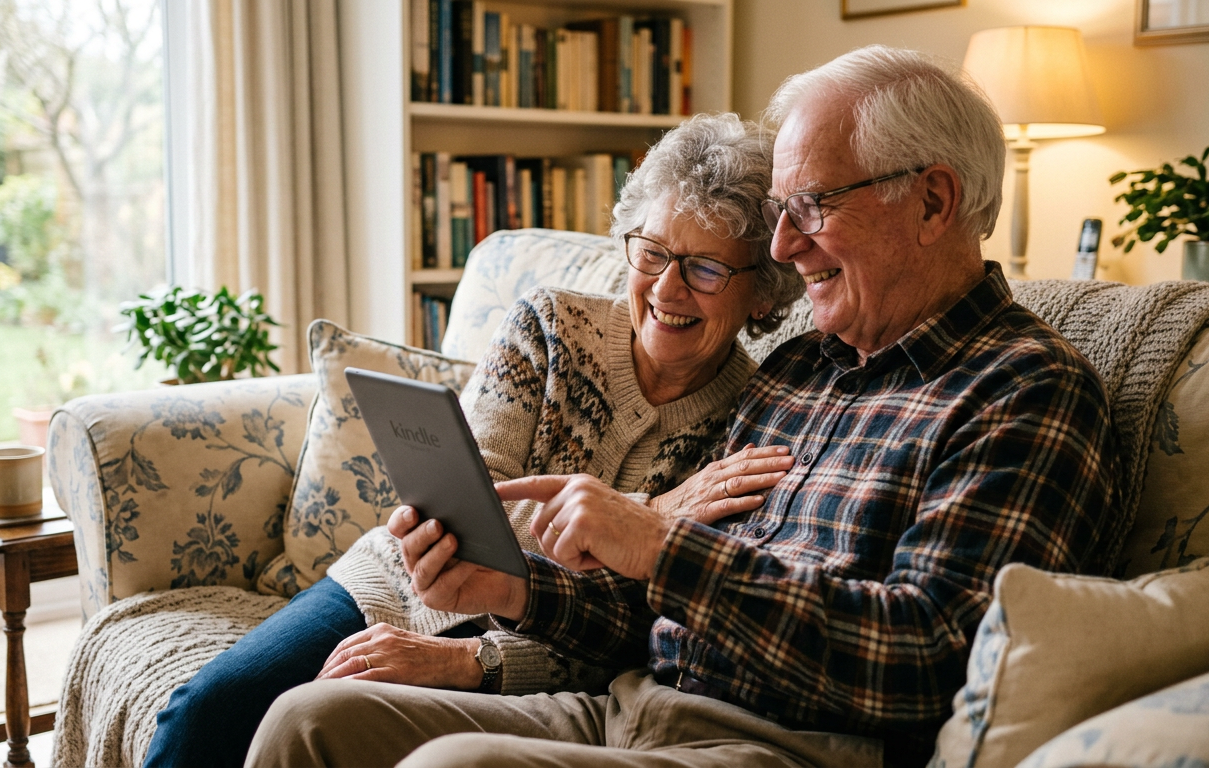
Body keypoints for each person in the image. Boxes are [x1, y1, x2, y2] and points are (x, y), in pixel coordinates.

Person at [244, 46, 1124, 768]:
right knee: (308, 722)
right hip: (631, 708)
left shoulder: (1023, 394)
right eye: (782, 212)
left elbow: (929, 658)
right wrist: (513, 589)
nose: (783, 245)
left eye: (810, 206)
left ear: (933, 201)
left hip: (780, 749)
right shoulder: (798, 373)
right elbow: (653, 614)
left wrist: (662, 544)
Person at [141, 112, 804, 768]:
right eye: (652, 251)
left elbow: (642, 622)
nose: (666, 288)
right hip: (397, 583)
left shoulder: (755, 423)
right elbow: (467, 502)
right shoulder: (550, 325)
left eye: (706, 269)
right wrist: (647, 517)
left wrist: (478, 660)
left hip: (539, 656)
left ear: (763, 294)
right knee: (210, 711)